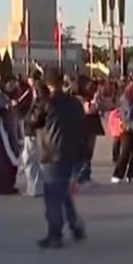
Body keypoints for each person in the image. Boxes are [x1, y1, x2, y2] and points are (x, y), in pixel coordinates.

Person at [29, 70, 87, 248]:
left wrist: (37, 98)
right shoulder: (74, 103)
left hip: (52, 153)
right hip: (72, 151)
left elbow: (32, 121)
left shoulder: (47, 103)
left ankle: (55, 234)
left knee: (53, 195)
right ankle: (75, 225)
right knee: (63, 192)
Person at [112, 80, 133, 183]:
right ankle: (118, 174)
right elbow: (127, 112)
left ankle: (131, 174)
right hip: (128, 128)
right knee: (125, 151)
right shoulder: (126, 98)